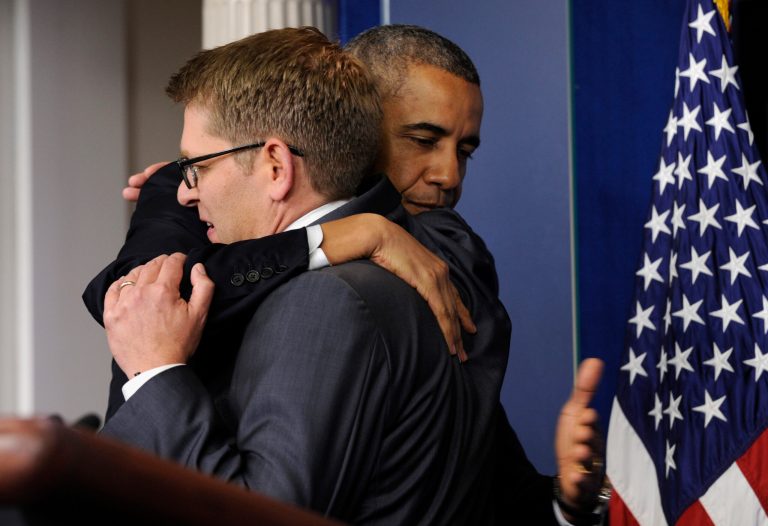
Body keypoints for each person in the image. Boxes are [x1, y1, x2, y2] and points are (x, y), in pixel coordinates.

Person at [85, 25, 605, 524]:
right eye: (423, 140)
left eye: (464, 150)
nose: (449, 176)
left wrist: (155, 372)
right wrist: (334, 236)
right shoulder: (199, 200)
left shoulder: (416, 268)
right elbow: (133, 293)